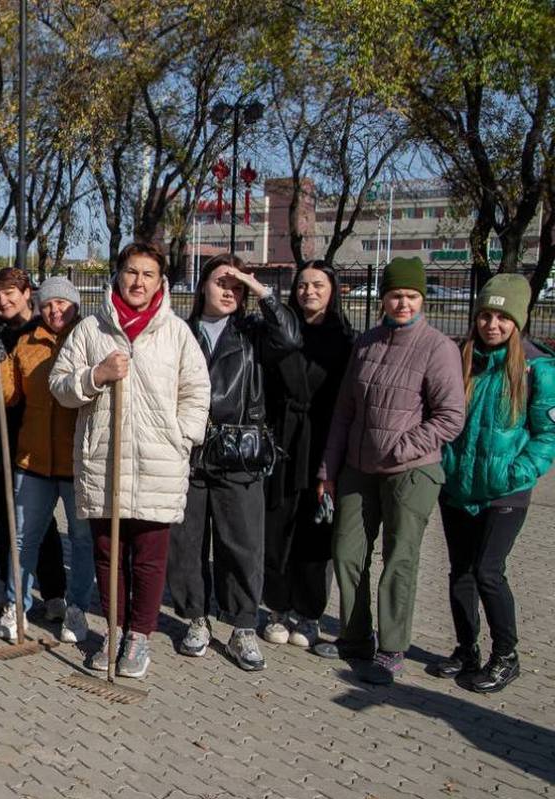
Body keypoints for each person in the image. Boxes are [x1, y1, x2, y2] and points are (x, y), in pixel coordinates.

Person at [50, 242, 211, 679]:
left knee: (149, 557)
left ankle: (140, 636)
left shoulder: (176, 332)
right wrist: (96, 376)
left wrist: (183, 437)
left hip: (159, 461)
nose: (138, 282)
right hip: (105, 459)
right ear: (117, 275)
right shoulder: (91, 330)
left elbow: (197, 391)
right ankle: (114, 631)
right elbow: (60, 386)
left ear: (160, 282)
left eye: (149, 275)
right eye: (131, 272)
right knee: (108, 554)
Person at [316, 256, 465, 684]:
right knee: (347, 553)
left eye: (412, 296)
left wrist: (402, 448)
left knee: (399, 559)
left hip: (411, 472)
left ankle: (392, 647)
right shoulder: (366, 344)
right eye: (396, 295)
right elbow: (345, 412)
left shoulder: (438, 348)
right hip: (358, 469)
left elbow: (450, 417)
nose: (403, 303)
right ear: (384, 298)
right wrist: (329, 468)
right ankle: (355, 636)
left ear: (422, 300)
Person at [168, 253, 301, 671]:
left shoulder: (253, 331)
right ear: (202, 285)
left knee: (241, 545)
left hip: (239, 453)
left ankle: (243, 626)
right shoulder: (179, 332)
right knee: (186, 544)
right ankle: (195, 619)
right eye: (222, 282)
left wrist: (261, 289)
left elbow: (291, 337)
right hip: (188, 452)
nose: (229, 291)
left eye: (237, 286)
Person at [435, 274, 555, 692]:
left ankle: (506, 655)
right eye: (486, 315)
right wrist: (445, 465)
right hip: (458, 488)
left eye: (503, 317)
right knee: (461, 573)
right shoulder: (460, 358)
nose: (492, 324)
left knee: (489, 571)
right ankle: (466, 648)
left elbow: (547, 435)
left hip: (506, 491)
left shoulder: (537, 367)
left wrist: (517, 473)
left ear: (518, 322)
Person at [0, 277, 93, 645]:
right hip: (33, 460)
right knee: (23, 539)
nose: (55, 310)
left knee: (82, 541)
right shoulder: (26, 342)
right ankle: (14, 605)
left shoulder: (89, 341)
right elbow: (7, 398)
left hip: (78, 462)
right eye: (49, 304)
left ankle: (77, 609)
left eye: (63, 303)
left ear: (76, 306)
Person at [261, 261, 354, 650]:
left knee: (315, 534)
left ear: (332, 290)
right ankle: (277, 607)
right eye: (302, 286)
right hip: (282, 441)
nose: (309, 292)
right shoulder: (280, 332)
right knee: (276, 528)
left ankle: (310, 613)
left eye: (318, 285)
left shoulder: (346, 340)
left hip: (322, 442)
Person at [0, 268, 67, 621]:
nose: (3, 301)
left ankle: (54, 591)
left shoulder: (45, 331)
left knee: (39, 523)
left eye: (10, 292)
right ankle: (11, 590)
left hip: (34, 443)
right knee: (4, 522)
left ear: (28, 292)